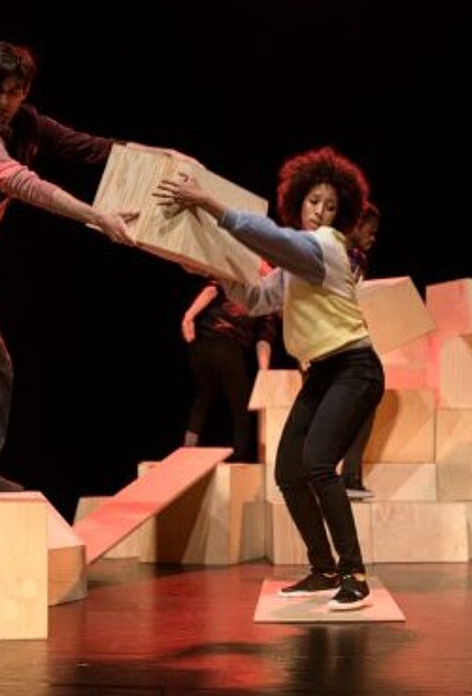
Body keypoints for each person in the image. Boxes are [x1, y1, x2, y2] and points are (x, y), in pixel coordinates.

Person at [0, 41, 177, 494]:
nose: (4, 103)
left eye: (14, 93)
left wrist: (158, 156)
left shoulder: (28, 123)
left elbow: (87, 147)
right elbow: (27, 186)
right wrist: (97, 216)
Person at [156, 147, 384, 611]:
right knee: (288, 472)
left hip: (354, 367)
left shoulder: (326, 247)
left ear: (340, 215)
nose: (319, 211)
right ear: (299, 199)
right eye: (313, 201)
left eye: (330, 206)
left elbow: (273, 238)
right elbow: (258, 299)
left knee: (319, 464)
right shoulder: (296, 265)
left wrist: (212, 205)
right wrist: (217, 271)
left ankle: (354, 574)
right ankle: (322, 569)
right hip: (321, 374)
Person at [180, 272, 278, 463]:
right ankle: (240, 459)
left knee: (205, 393)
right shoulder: (268, 299)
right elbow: (263, 340)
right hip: (228, 350)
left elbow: (211, 290)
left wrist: (189, 316)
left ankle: (188, 447)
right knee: (241, 410)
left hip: (201, 348)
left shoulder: (237, 277)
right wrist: (263, 372)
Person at [339, 202, 382, 500]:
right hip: (330, 342)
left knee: (367, 397)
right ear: (355, 226)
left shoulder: (358, 259)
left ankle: (350, 477)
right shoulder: (335, 252)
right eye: (371, 230)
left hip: (351, 338)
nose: (373, 236)